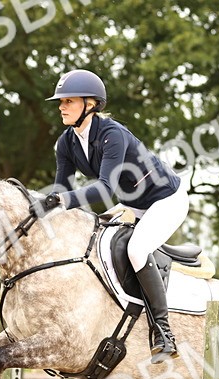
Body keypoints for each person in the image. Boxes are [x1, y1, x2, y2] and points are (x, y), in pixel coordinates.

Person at [41, 69, 187, 361]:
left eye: (68, 101)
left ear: (90, 104)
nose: (61, 106)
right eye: (61, 101)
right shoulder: (66, 143)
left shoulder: (113, 135)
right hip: (132, 204)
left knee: (136, 249)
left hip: (166, 200)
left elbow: (104, 188)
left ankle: (164, 332)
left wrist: (62, 199)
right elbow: (62, 189)